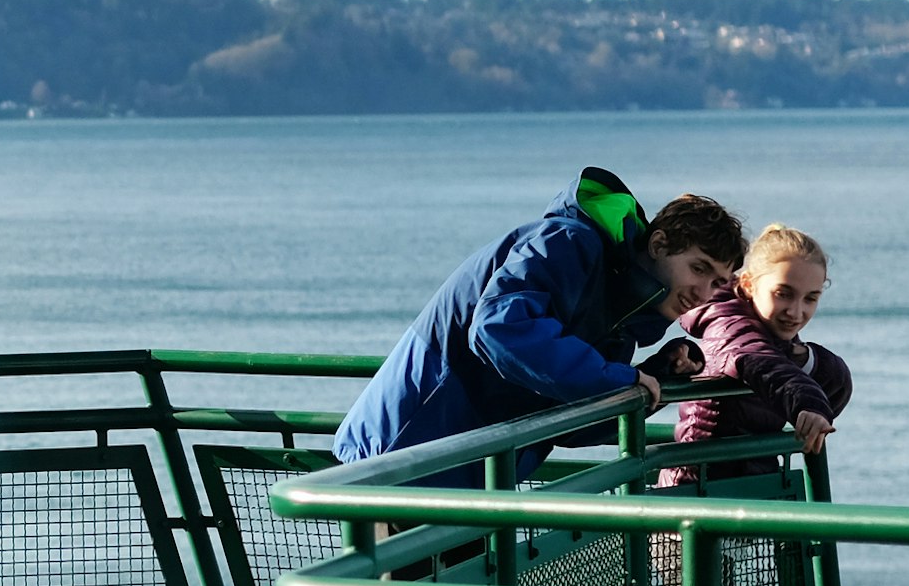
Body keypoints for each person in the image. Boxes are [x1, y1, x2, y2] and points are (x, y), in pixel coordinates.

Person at [330, 168, 748, 485]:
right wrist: (617, 379)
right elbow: (498, 329)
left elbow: (569, 420)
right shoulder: (569, 243)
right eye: (698, 268)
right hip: (406, 454)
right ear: (658, 245)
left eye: (716, 282)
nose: (703, 291)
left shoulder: (623, 311)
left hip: (470, 476)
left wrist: (647, 381)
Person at [660, 223, 853, 474]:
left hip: (752, 479)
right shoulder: (728, 327)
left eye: (810, 298)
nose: (795, 312)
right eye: (783, 294)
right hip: (700, 486)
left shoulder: (775, 336)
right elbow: (761, 362)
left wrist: (812, 361)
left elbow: (822, 377)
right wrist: (808, 404)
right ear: (749, 285)